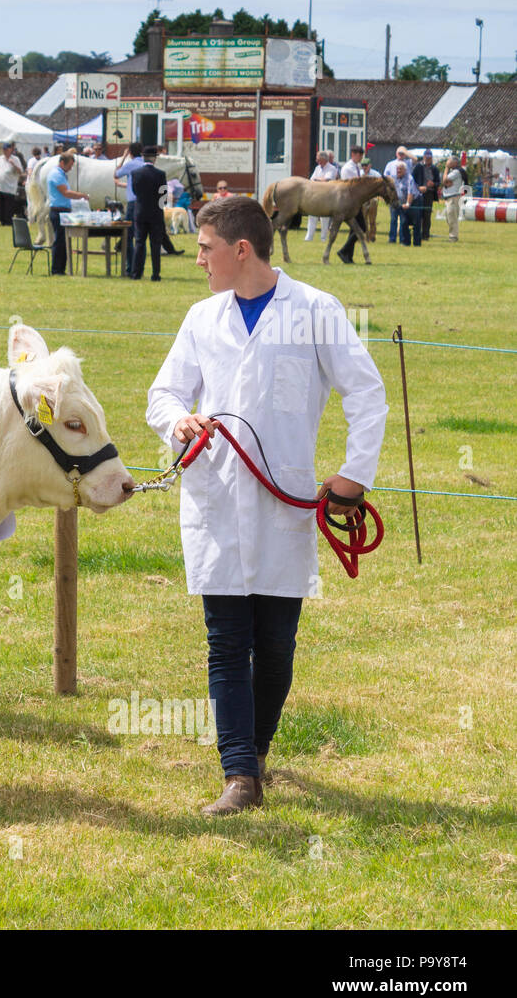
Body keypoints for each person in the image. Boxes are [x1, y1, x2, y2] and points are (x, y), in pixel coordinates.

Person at [146, 194, 387, 816]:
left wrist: (355, 475)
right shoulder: (202, 318)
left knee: (276, 644)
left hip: (285, 502)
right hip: (217, 499)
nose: (198, 260)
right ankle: (239, 775)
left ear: (240, 250)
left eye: (205, 249)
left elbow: (366, 394)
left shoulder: (316, 311)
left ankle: (255, 752)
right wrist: (178, 422)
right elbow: (164, 393)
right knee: (226, 641)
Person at [130, 145, 166, 282]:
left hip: (140, 211)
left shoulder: (135, 173)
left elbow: (134, 191)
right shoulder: (160, 174)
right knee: (155, 244)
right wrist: (160, 208)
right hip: (156, 212)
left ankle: (136, 273)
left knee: (139, 242)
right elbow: (163, 194)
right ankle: (155, 274)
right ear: (154, 159)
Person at [47, 151, 87, 275]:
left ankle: (61, 268)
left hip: (63, 210)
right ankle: (56, 269)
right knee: (59, 241)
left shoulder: (62, 174)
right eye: (69, 165)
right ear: (62, 162)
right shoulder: (56, 175)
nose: (70, 168)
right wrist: (82, 196)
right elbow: (66, 192)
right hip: (58, 211)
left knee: (63, 241)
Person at [114, 141, 145, 274]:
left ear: (131, 153)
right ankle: (139, 268)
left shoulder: (130, 164)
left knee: (128, 236)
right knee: (140, 237)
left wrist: (123, 158)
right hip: (144, 203)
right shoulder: (144, 164)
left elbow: (116, 174)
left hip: (133, 204)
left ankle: (130, 267)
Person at [334, 145, 368, 264]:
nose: (361, 158)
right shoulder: (348, 168)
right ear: (353, 154)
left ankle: (348, 256)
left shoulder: (357, 167)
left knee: (354, 229)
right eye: (360, 155)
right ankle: (343, 251)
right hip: (350, 202)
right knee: (362, 228)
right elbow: (352, 185)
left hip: (356, 201)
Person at [304, 150, 338, 241]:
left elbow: (327, 180)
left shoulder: (332, 168)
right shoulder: (317, 168)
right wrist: (318, 180)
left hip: (327, 196)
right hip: (315, 195)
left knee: (324, 218)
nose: (316, 160)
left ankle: (323, 238)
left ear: (323, 159)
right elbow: (311, 180)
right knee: (312, 216)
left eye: (318, 158)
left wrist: (316, 179)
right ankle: (309, 237)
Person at [383, 146, 411, 243]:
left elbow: (415, 159)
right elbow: (385, 179)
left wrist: (406, 153)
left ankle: (403, 239)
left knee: (403, 221)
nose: (398, 171)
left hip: (403, 200)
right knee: (393, 220)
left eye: (403, 153)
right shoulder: (390, 165)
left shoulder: (408, 166)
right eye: (399, 152)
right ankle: (392, 239)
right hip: (394, 199)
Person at [391, 161, 421, 246]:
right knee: (404, 222)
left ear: (405, 170)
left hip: (414, 202)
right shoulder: (395, 178)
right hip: (402, 203)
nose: (398, 171)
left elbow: (410, 192)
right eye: (397, 169)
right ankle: (405, 242)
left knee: (416, 223)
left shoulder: (409, 178)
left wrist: (408, 203)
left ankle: (416, 243)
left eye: (400, 169)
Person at [412, 150, 440, 241]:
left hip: (429, 194)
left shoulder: (435, 169)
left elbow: (438, 182)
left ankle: (425, 235)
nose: (428, 159)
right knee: (418, 214)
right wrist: (419, 187)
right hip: (419, 193)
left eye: (429, 157)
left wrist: (433, 184)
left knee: (427, 215)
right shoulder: (418, 167)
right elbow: (412, 180)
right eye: (426, 157)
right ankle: (417, 233)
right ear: (424, 157)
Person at [441, 155, 465, 242]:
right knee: (449, 217)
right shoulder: (453, 171)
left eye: (449, 161)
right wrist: (446, 181)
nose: (447, 162)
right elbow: (445, 182)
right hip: (449, 197)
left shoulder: (456, 172)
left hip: (453, 197)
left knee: (452, 218)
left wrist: (446, 168)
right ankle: (452, 235)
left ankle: (453, 237)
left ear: (455, 162)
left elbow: (444, 180)